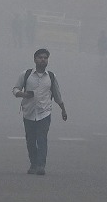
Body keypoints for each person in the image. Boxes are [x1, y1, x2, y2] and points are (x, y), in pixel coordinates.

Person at [12, 48, 68, 176]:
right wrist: (23, 94)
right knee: (31, 140)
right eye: (40, 57)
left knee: (42, 139)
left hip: (44, 113)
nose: (43, 60)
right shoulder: (26, 74)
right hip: (29, 113)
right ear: (35, 59)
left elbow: (57, 95)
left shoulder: (51, 77)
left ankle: (41, 165)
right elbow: (15, 89)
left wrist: (63, 110)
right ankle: (33, 163)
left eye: (45, 58)